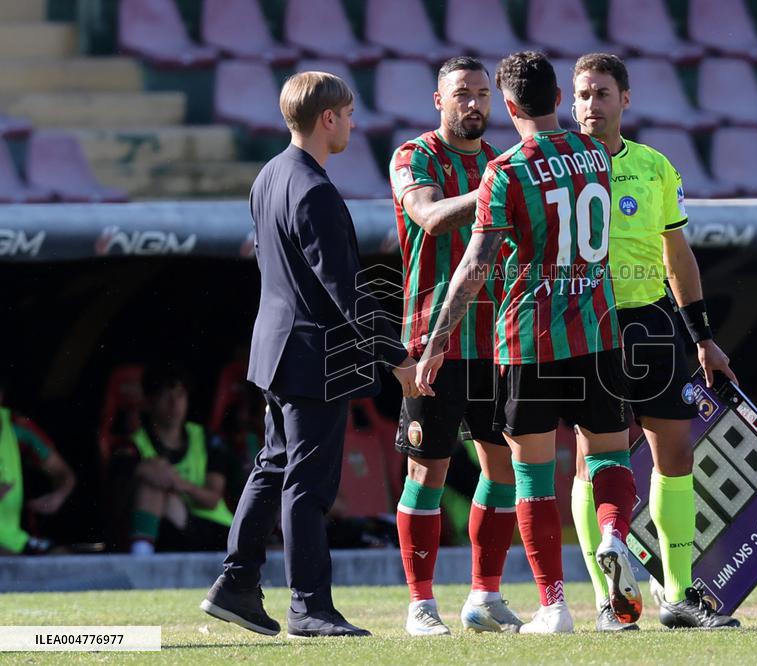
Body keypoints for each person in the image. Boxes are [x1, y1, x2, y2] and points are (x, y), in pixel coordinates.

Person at [416, 51, 641, 634]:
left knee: (533, 479)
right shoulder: (596, 154)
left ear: (509, 106)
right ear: (560, 99)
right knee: (609, 457)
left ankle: (555, 605)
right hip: (597, 333)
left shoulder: (506, 170)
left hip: (529, 342)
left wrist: (438, 337)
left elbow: (476, 264)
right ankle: (614, 538)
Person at [201, 71, 418, 639]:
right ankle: (309, 607)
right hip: (315, 358)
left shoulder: (269, 175)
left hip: (277, 351)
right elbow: (346, 291)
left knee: (274, 466)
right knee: (308, 483)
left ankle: (236, 583)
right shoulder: (315, 189)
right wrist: (398, 357)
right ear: (327, 118)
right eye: (347, 114)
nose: (352, 124)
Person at [567, 53, 740, 631]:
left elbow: (677, 255)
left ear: (625, 99)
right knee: (594, 457)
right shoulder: (561, 170)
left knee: (676, 454)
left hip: (652, 323)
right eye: (583, 94)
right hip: (588, 325)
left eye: (602, 93)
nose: (591, 105)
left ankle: (680, 595)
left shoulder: (655, 166)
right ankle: (607, 602)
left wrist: (703, 337)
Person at [389, 56, 521, 636]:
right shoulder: (414, 156)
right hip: (431, 342)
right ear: (438, 100)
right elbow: (428, 217)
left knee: (503, 467)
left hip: (497, 342)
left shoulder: (501, 161)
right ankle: (420, 605)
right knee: (428, 471)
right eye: (462, 93)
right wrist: (493, 189)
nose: (474, 103)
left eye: (482, 93)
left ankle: (484, 597)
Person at [123, 362, 232, 555]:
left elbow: (212, 499)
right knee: (151, 485)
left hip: (218, 533)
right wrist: (142, 469)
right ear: (149, 401)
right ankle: (141, 559)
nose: (174, 404)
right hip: (171, 530)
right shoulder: (133, 445)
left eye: (180, 395)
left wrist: (179, 484)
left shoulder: (207, 439)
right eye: (165, 395)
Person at [0, 373, 75, 555]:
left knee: (63, 557)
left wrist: (58, 496)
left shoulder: (17, 427)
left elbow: (63, 473)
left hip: (13, 541)